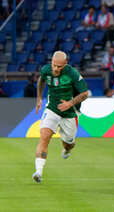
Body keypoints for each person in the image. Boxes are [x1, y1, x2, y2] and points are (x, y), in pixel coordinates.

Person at [32, 51, 89, 183]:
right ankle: (38, 172)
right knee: (44, 136)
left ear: (65, 64)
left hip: (69, 113)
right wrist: (39, 98)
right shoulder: (46, 70)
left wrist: (70, 103)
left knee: (68, 144)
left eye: (59, 66)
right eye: (54, 65)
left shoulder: (72, 73)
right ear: (51, 62)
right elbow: (41, 80)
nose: (56, 69)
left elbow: (84, 94)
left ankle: (67, 148)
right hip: (52, 109)